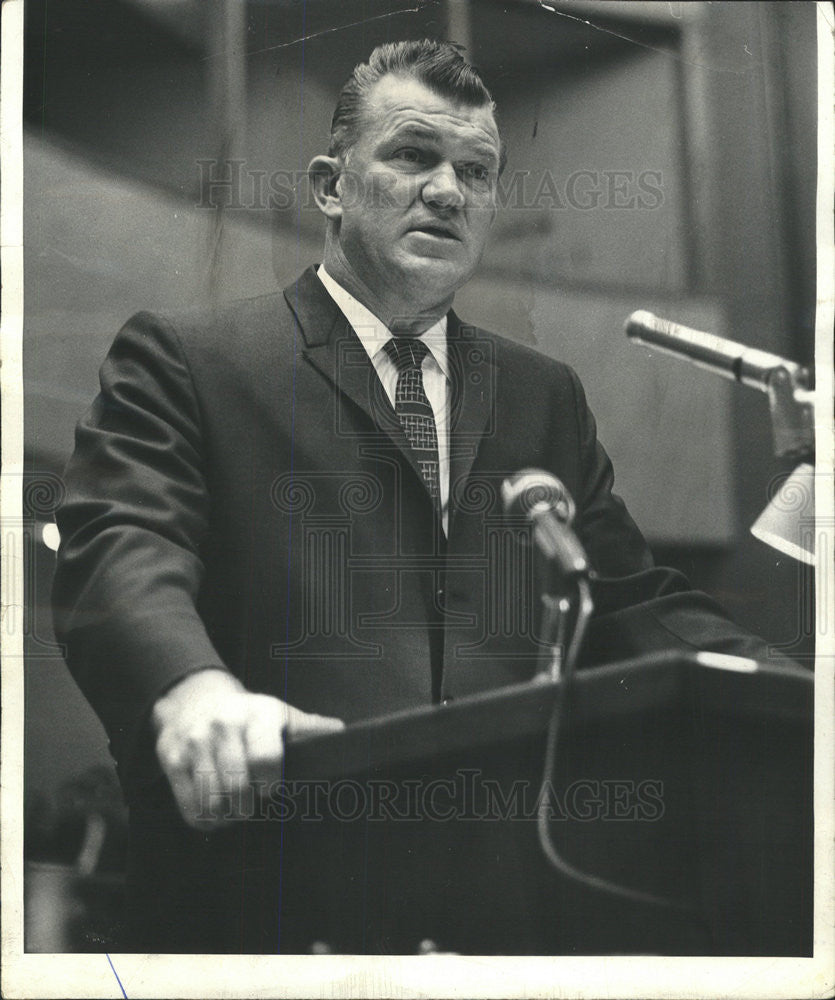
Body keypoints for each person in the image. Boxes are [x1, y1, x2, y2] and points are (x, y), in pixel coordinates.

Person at [51, 39, 791, 953]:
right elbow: (122, 545)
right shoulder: (190, 360)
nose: (448, 189)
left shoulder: (542, 394)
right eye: (412, 155)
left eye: (476, 172)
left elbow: (630, 601)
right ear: (329, 186)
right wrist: (191, 689)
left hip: (505, 907)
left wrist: (801, 690)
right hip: (267, 894)